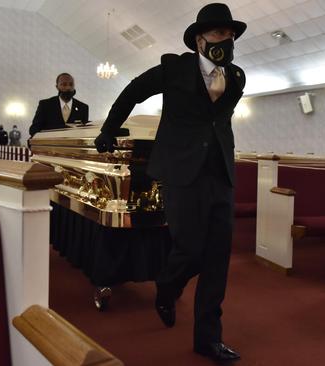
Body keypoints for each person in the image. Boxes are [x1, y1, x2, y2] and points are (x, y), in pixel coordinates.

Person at [93, 3, 246, 362]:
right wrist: (108, 130)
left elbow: (217, 123)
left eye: (231, 35)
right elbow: (132, 91)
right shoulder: (173, 67)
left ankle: (208, 338)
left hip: (220, 173)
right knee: (189, 248)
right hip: (182, 172)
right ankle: (167, 286)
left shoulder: (237, 77)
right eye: (220, 34)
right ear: (199, 40)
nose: (227, 40)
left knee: (218, 259)